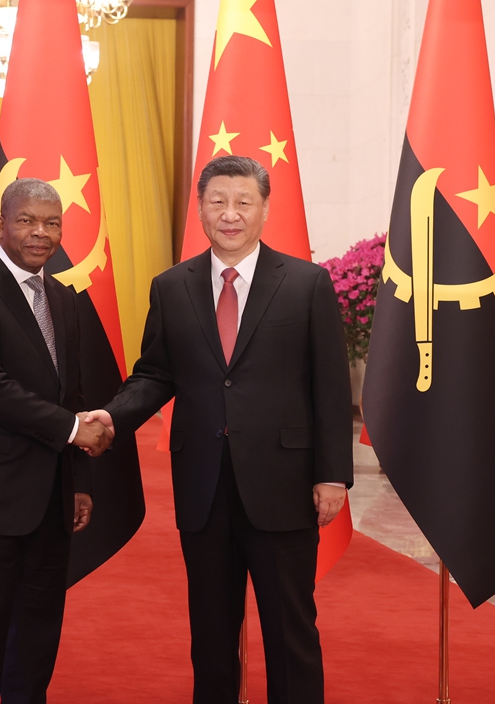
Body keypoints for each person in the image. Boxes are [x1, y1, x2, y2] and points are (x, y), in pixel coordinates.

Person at [85, 155, 352, 703]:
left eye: (243, 202)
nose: (230, 214)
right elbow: (155, 373)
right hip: (204, 486)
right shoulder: (171, 287)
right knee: (210, 634)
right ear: (201, 210)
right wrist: (114, 415)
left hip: (283, 484)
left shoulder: (306, 283)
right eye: (218, 202)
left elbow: (330, 385)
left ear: (264, 209)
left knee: (291, 632)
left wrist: (332, 474)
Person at [0, 178, 113, 704]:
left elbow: (72, 392)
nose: (40, 233)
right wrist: (75, 430)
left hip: (52, 494)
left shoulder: (62, 297)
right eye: (27, 220)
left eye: (52, 223)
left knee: (37, 629)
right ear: (0, 225)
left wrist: (79, 480)